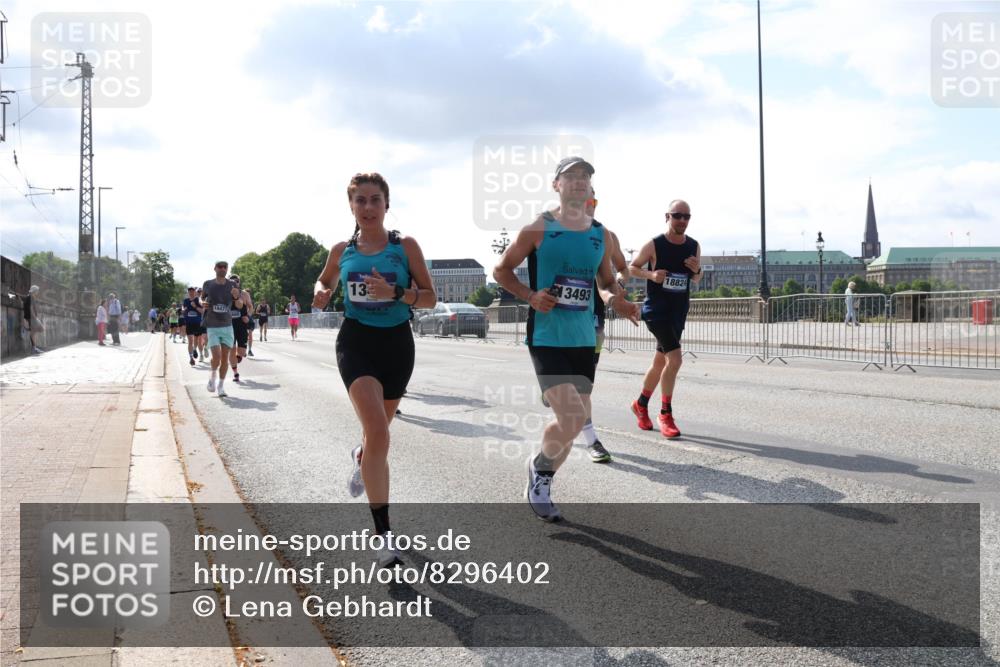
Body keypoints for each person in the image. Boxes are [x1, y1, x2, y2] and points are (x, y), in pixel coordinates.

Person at [493, 156, 640, 522]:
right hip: (546, 336)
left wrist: (619, 301)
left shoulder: (599, 235)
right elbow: (501, 270)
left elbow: (605, 281)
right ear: (556, 185)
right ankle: (541, 474)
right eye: (571, 176)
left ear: (590, 188)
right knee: (572, 417)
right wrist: (530, 296)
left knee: (573, 426)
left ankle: (540, 471)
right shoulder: (539, 228)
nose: (579, 182)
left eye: (585, 177)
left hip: (582, 339)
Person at [312, 172, 436, 567]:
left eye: (374, 200)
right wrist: (321, 291)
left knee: (375, 438)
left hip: (397, 345)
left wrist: (397, 293)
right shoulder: (341, 250)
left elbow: (430, 298)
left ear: (386, 204)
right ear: (351, 206)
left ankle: (361, 455)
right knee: (380, 433)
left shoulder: (405, 247)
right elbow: (325, 281)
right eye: (360, 200)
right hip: (356, 343)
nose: (368, 207)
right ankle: (383, 534)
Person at [629, 199, 702, 440]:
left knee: (661, 363)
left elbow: (697, 280)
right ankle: (665, 414)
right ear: (667, 217)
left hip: (678, 311)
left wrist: (697, 270)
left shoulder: (693, 245)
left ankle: (640, 404)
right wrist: (651, 274)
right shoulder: (655, 244)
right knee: (676, 359)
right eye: (677, 215)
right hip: (656, 311)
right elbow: (632, 268)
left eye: (686, 216)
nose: (682, 220)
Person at [202, 261, 241, 398]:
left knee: (225, 358)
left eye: (225, 267)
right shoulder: (208, 284)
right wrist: (204, 304)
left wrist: (237, 297)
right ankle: (212, 377)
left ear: (227, 269)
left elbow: (240, 305)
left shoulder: (233, 285)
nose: (223, 269)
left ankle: (221, 386)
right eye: (220, 267)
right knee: (216, 357)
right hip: (212, 325)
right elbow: (202, 300)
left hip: (227, 325)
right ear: (215, 269)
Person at [228, 275, 254, 383]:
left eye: (237, 281)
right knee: (231, 350)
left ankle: (238, 357)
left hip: (242, 325)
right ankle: (235, 373)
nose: (235, 283)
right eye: (232, 281)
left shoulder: (244, 294)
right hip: (229, 326)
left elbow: (251, 307)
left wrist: (248, 316)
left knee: (242, 352)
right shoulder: (225, 294)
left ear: (239, 282)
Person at [183, 287, 204, 366]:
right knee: (190, 341)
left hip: (197, 323)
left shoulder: (198, 300)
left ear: (195, 292)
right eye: (190, 292)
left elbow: (202, 311)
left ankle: (198, 351)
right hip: (189, 323)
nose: (191, 293)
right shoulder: (185, 301)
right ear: (188, 293)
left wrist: (195, 306)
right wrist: (183, 310)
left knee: (198, 340)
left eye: (192, 291)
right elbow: (183, 308)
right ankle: (191, 358)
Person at [22, 285, 44, 354]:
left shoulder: (29, 297)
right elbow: (30, 308)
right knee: (41, 329)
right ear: (34, 291)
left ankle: (34, 348)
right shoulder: (30, 297)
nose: (38, 292)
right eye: (37, 291)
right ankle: (34, 348)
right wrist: (35, 318)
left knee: (34, 332)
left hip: (29, 317)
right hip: (31, 318)